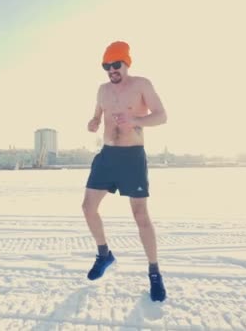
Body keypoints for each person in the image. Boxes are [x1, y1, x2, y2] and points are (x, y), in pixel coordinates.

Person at [82, 41, 168, 302]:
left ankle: (154, 272)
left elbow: (162, 116)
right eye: (106, 66)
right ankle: (104, 254)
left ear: (126, 63)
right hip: (107, 156)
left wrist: (136, 120)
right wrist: (94, 122)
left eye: (115, 65)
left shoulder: (142, 85)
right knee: (88, 207)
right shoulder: (102, 90)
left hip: (132, 156)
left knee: (140, 215)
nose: (111, 70)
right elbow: (97, 115)